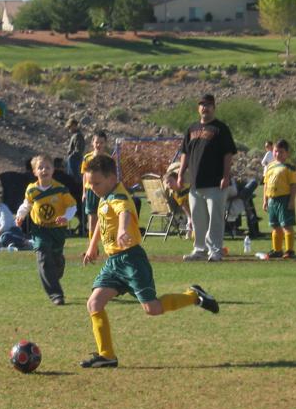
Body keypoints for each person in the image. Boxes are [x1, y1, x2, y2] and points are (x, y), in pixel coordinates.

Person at [79, 154, 220, 368]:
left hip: (132, 260)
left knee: (152, 309)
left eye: (96, 183)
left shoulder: (119, 197)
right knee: (94, 303)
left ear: (110, 178)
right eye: (90, 183)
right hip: (114, 262)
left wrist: (124, 230)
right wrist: (92, 245)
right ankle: (106, 355)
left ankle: (193, 296)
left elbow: (125, 212)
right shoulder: (105, 195)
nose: (92, 187)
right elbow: (101, 218)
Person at [176, 93, 237, 262]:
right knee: (198, 219)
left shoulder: (220, 128)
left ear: (214, 108)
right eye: (202, 104)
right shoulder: (192, 129)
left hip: (215, 182)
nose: (205, 107)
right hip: (195, 183)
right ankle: (200, 249)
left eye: (209, 104)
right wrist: (181, 174)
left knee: (215, 218)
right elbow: (185, 154)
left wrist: (226, 176)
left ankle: (216, 250)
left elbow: (228, 154)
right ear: (198, 108)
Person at [15, 154, 77, 305]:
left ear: (53, 170)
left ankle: (58, 264)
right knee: (42, 255)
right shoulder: (31, 190)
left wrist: (66, 218)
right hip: (40, 229)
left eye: (47, 167)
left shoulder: (60, 189)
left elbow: (72, 206)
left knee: (56, 261)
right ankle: (56, 295)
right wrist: (20, 215)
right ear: (35, 172)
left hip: (57, 230)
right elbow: (26, 205)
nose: (44, 170)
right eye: (40, 167)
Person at [263, 139, 296, 259]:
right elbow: (266, 184)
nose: (278, 154)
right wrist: (265, 200)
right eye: (276, 151)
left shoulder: (289, 168)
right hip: (272, 200)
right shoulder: (270, 166)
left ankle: (290, 250)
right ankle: (277, 249)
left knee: (286, 225)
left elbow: (293, 185)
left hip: (284, 199)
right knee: (275, 226)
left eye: (281, 152)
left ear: (287, 153)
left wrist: (291, 201)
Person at [80, 130, 110, 240]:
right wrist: (84, 192)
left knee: (106, 218)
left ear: (105, 143)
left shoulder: (108, 159)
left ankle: (107, 243)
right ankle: (92, 247)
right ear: (92, 143)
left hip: (104, 192)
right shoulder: (87, 158)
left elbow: (110, 177)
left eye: (101, 143)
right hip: (91, 191)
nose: (99, 145)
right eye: (96, 142)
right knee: (92, 219)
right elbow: (84, 176)